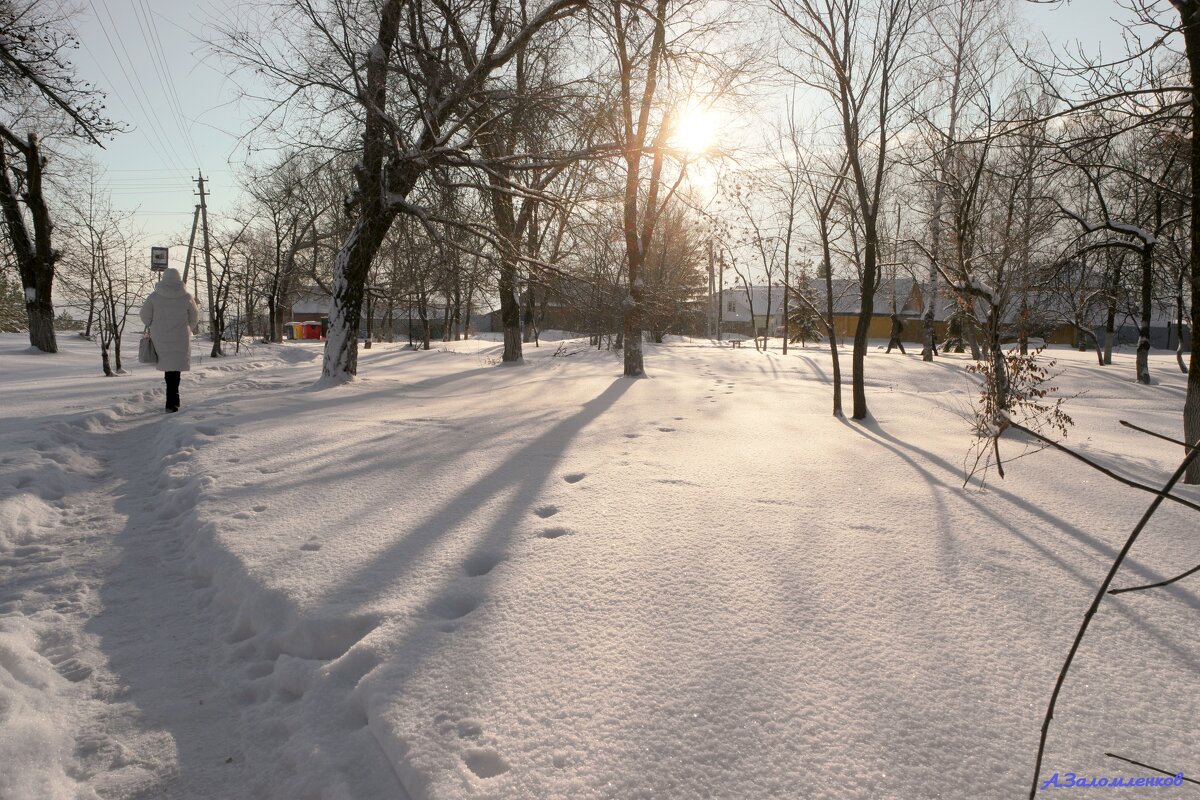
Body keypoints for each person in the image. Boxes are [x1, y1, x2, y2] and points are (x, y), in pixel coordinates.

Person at [140, 267, 199, 412]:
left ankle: (170, 401)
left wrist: (154, 325)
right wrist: (187, 329)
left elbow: (144, 316)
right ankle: (173, 400)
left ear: (164, 278)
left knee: (168, 368)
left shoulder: (154, 296)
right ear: (179, 279)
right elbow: (195, 317)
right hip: (180, 337)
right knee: (175, 369)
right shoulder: (187, 297)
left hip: (160, 336)